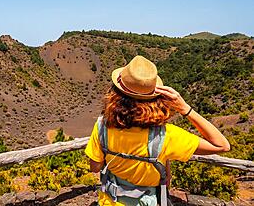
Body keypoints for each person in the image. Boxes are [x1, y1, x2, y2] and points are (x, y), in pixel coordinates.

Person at [85, 55, 230, 206]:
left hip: (110, 201)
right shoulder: (167, 135)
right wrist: (185, 109)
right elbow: (222, 146)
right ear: (156, 97)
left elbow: (94, 167)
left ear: (115, 93)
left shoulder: (102, 126)